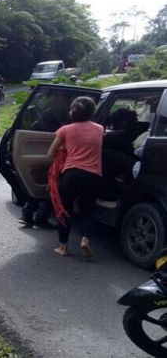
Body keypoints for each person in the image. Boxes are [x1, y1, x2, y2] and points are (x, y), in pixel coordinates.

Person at [47, 96, 103, 257]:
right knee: (87, 210)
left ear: (73, 111)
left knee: (65, 210)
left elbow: (51, 153)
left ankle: (63, 247)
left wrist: (65, 148)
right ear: (92, 112)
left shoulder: (65, 129)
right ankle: (85, 239)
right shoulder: (100, 129)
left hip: (71, 173)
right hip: (93, 175)